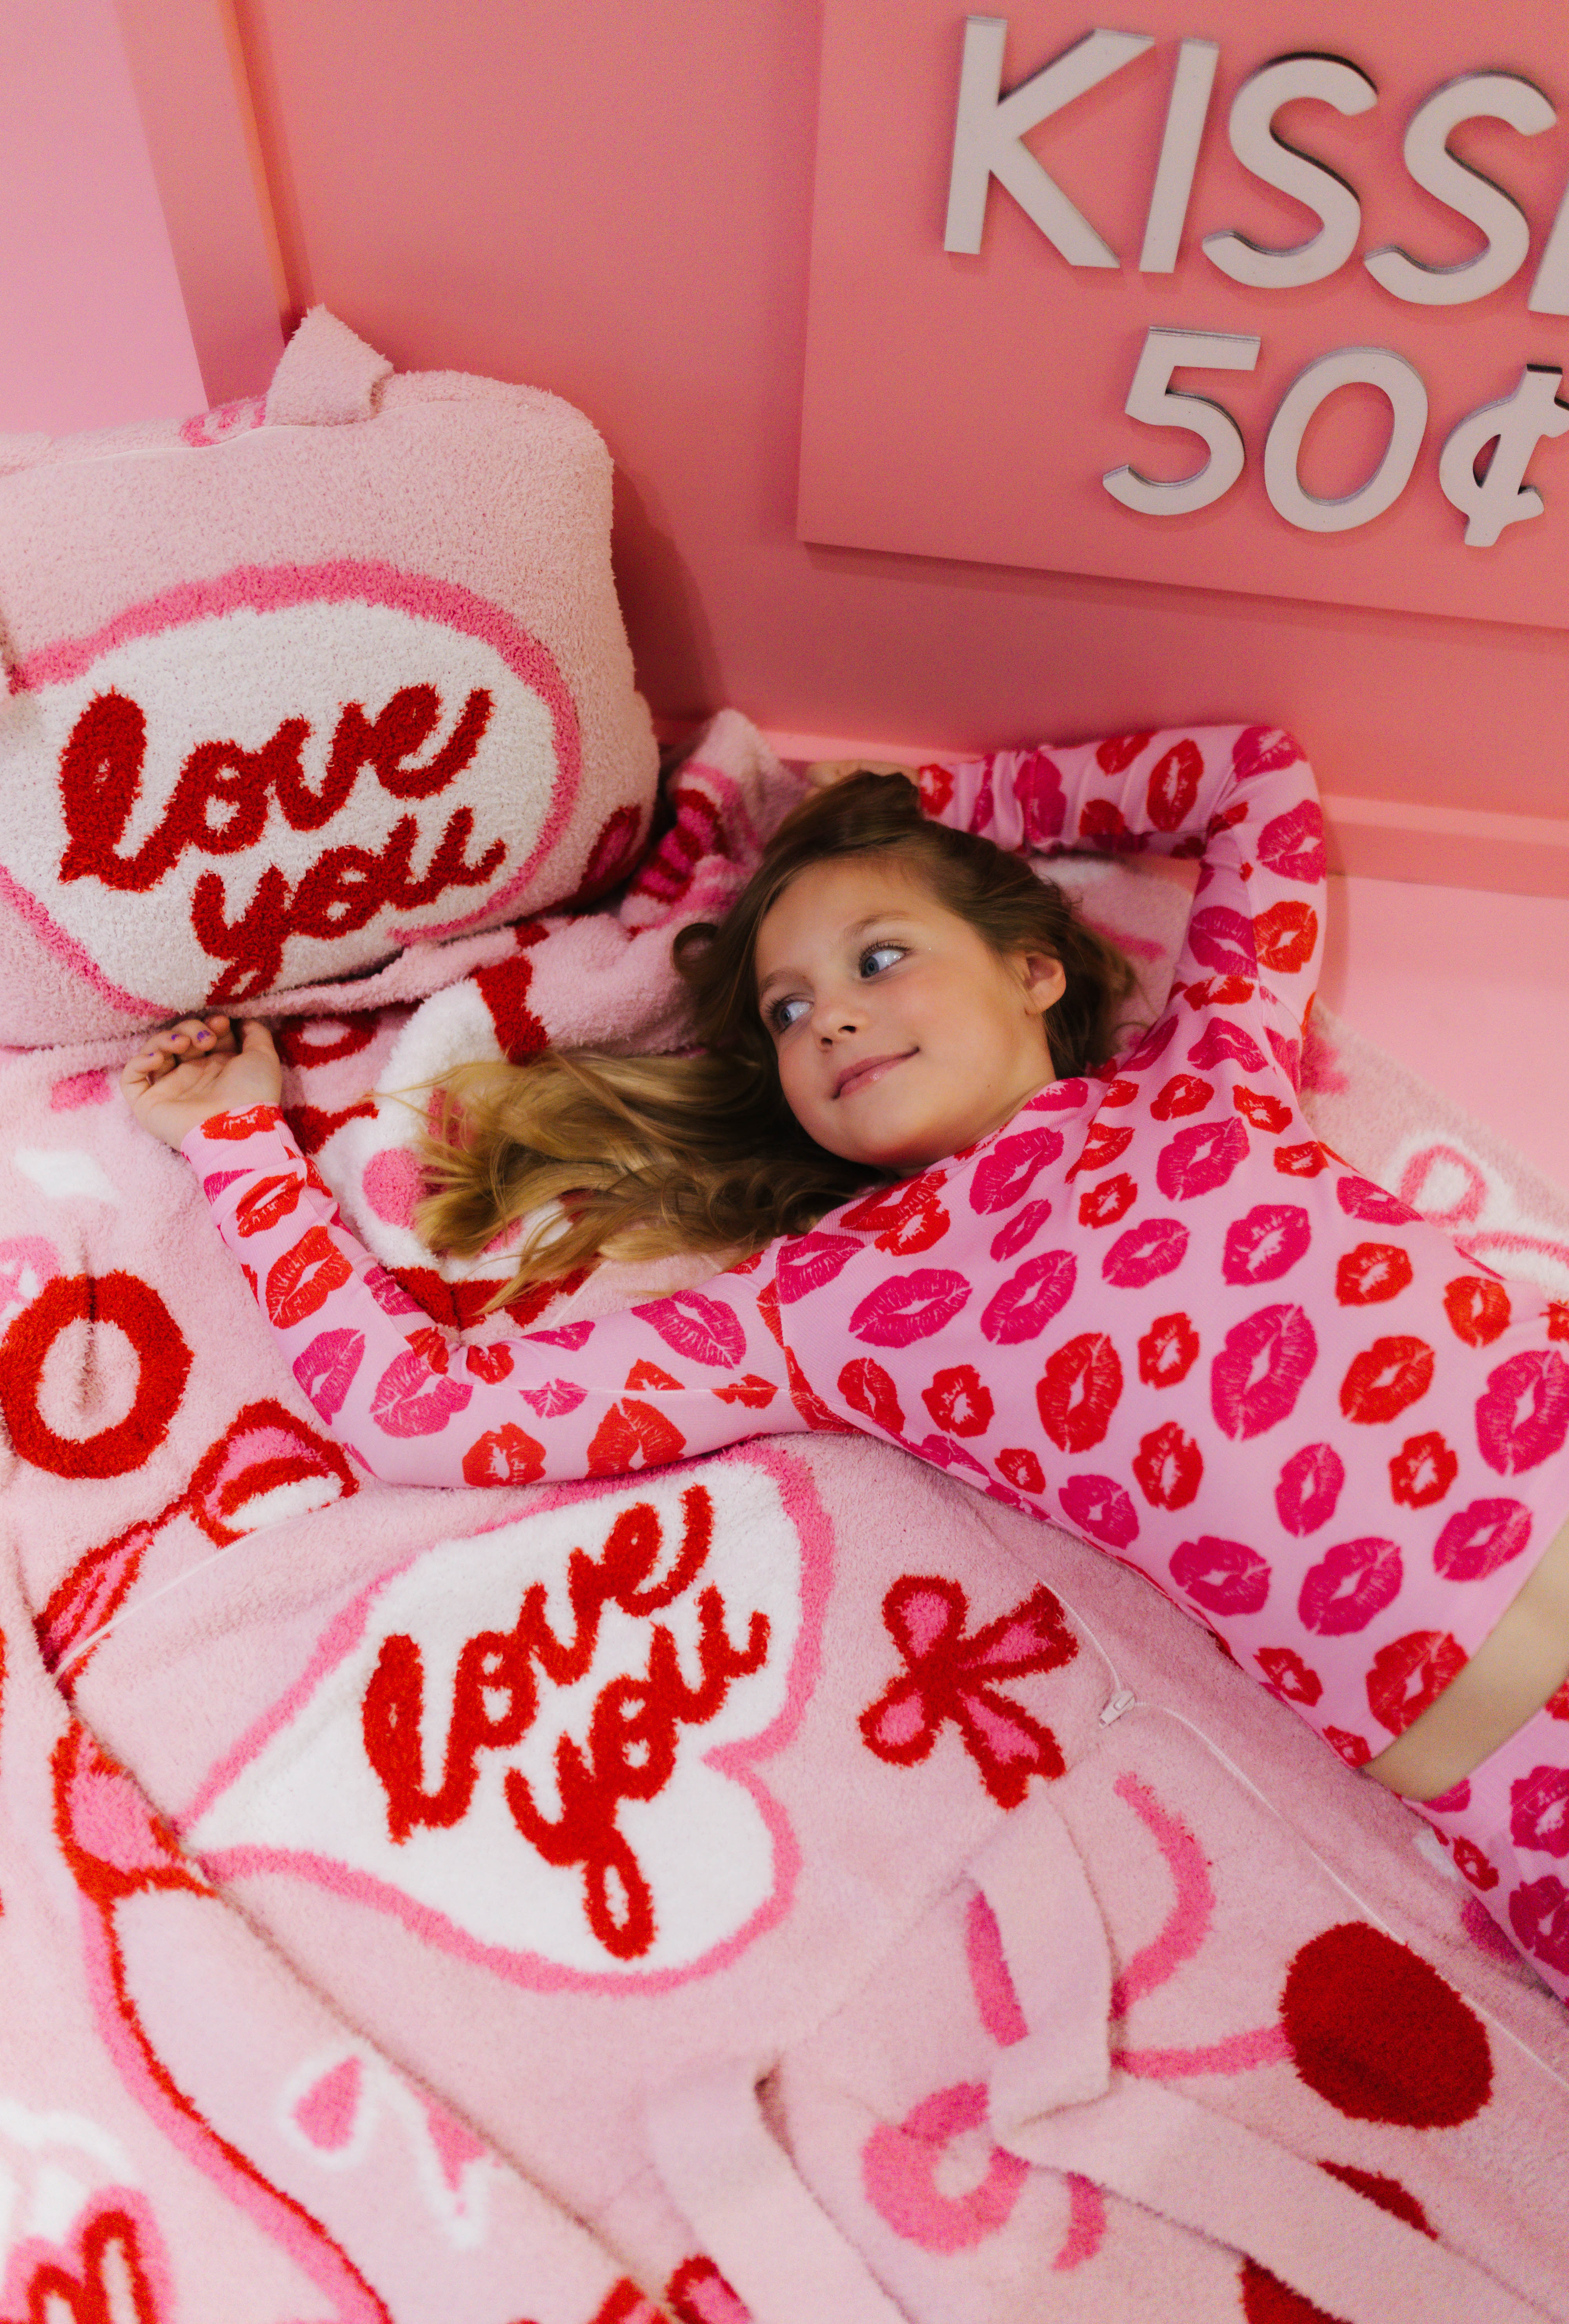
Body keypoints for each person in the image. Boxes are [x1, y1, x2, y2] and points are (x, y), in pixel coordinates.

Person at [120, 726, 1569, 1996]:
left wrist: (912, 794)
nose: (838, 1019)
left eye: (880, 959)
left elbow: (1259, 785)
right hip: (1518, 1773)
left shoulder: (1212, 1072)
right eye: (789, 1011)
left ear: (1033, 967)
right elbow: (427, 1413)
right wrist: (245, 1143)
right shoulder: (832, 1304)